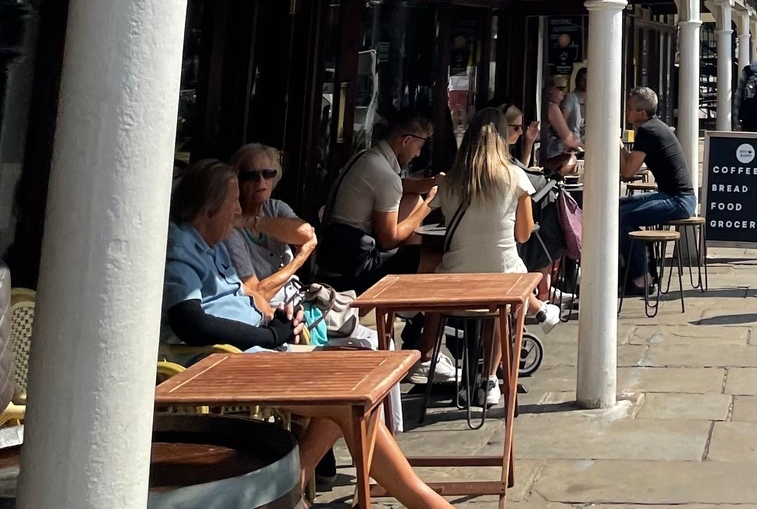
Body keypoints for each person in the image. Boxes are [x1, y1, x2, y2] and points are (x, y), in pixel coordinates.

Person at [163, 160, 497, 509]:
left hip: (253, 350)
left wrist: (277, 318)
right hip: (217, 365)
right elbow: (191, 322)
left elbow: (238, 300)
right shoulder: (180, 245)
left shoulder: (212, 243)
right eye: (234, 201)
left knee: (356, 384)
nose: (240, 210)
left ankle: (290, 501)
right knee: (347, 401)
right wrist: (267, 334)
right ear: (207, 210)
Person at [438, 107, 560, 411]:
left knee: (497, 292)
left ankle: (481, 375)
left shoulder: (450, 181)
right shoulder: (515, 176)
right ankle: (492, 379)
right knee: (504, 297)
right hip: (502, 282)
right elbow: (523, 235)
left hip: (454, 284)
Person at [317, 111, 439, 294]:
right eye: (419, 146)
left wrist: (432, 182)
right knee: (427, 256)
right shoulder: (386, 177)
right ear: (406, 141)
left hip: (333, 255)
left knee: (413, 199)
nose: (418, 153)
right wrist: (429, 204)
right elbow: (388, 240)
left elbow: (400, 186)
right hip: (354, 267)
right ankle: (412, 314)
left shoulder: (366, 158)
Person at [617, 87, 697, 292]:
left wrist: (615, 144)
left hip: (679, 200)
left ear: (642, 114)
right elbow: (629, 167)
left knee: (620, 218)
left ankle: (641, 277)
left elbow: (627, 171)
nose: (626, 112)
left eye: (629, 108)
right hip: (672, 195)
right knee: (616, 206)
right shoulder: (654, 127)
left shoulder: (647, 131)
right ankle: (646, 268)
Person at [224, 143, 315, 313]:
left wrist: (252, 221)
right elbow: (256, 294)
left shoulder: (275, 208)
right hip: (272, 314)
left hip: (298, 302)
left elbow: (305, 233)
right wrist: (299, 260)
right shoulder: (231, 231)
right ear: (237, 179)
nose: (261, 181)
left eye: (267, 173)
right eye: (251, 175)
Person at [540, 77, 582, 177]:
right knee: (571, 158)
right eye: (561, 89)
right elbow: (568, 139)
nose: (564, 93)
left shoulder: (546, 105)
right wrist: (589, 149)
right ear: (551, 90)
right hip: (549, 158)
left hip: (545, 156)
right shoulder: (552, 107)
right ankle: (557, 180)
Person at [562, 65, 587, 140]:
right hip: (574, 141)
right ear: (577, 81)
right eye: (583, 80)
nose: (586, 83)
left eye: (588, 80)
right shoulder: (571, 98)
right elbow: (564, 119)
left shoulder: (591, 99)